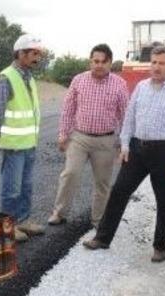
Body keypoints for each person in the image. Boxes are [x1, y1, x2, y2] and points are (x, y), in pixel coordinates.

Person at [82, 46, 165, 263]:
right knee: (119, 192)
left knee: (164, 201)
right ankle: (103, 238)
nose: (156, 67)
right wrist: (125, 145)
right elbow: (129, 119)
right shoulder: (142, 87)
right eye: (153, 62)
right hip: (137, 150)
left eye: (162, 63)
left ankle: (161, 246)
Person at [48, 44, 129, 227]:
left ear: (109, 62)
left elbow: (125, 115)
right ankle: (59, 213)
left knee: (103, 183)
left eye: (103, 62)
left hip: (106, 141)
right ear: (90, 61)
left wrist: (124, 144)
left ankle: (98, 219)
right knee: (70, 174)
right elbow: (68, 109)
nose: (99, 65)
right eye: (95, 61)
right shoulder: (78, 80)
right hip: (79, 138)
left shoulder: (119, 84)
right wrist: (63, 134)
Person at [0, 34, 46, 241]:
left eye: (38, 54)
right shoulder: (7, 77)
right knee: (11, 189)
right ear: (20, 53)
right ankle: (8, 226)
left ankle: (22, 221)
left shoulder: (28, 77)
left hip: (29, 144)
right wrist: (1, 137)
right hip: (13, 146)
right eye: (33, 53)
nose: (37, 58)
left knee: (26, 186)